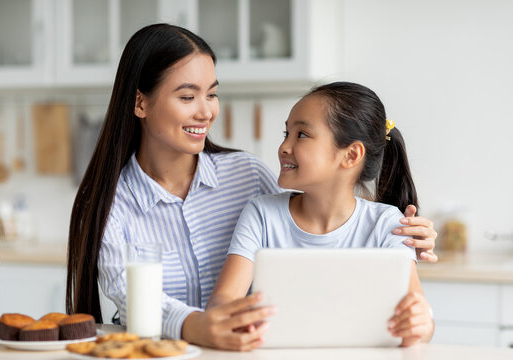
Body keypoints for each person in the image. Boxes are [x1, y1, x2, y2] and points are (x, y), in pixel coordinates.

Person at [65, 24, 437, 351]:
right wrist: (198, 326)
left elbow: (329, 203)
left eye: (211, 94)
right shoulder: (108, 201)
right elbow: (131, 299)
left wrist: (408, 235)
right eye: (186, 96)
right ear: (140, 102)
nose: (206, 111)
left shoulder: (247, 176)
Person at [207, 82, 434, 347]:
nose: (283, 146)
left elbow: (420, 324)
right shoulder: (261, 214)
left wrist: (421, 322)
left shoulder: (388, 225)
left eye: (301, 134)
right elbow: (222, 301)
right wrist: (233, 317)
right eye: (286, 133)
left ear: (350, 155)